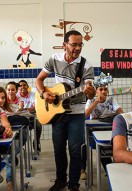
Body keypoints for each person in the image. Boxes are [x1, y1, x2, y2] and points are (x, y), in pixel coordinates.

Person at [35, 30, 96, 191]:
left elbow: (91, 90)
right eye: (74, 44)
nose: (77, 48)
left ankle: (74, 184)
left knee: (75, 150)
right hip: (58, 114)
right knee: (59, 149)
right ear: (64, 45)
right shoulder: (54, 59)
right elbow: (39, 79)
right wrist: (44, 93)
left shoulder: (86, 65)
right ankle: (61, 180)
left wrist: (91, 91)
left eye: (80, 44)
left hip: (76, 113)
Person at [80, 84, 123, 180]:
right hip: (93, 130)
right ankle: (82, 169)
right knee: (84, 142)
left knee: (106, 146)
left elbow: (120, 111)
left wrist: (123, 116)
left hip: (107, 129)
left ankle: (111, 170)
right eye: (101, 89)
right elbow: (84, 115)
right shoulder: (90, 100)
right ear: (96, 91)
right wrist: (95, 102)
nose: (103, 92)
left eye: (105, 89)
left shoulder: (111, 100)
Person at [0, 86, 29, 191]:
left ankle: (9, 183)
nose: (0, 101)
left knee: (10, 156)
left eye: (3, 98)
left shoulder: (12, 107)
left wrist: (11, 117)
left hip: (17, 137)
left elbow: (25, 120)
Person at [17, 79, 42, 153]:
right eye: (20, 86)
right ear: (18, 88)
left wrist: (23, 109)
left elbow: (35, 107)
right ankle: (18, 147)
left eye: (24, 85)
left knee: (38, 126)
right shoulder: (16, 95)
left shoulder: (33, 94)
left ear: (27, 86)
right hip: (19, 119)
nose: (22, 87)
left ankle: (36, 142)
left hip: (31, 118)